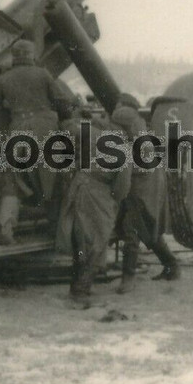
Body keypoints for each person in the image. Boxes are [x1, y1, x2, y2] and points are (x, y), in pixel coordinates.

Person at [0, 39, 76, 245]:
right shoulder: (43, 74)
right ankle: (54, 228)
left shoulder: (6, 77)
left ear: (14, 56)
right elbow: (62, 101)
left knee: (13, 180)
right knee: (53, 177)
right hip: (46, 129)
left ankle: (5, 229)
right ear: (32, 55)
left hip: (19, 130)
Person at [55, 114, 131, 308]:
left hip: (79, 187)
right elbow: (122, 186)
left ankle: (75, 287)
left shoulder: (91, 134)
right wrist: (113, 199)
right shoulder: (122, 146)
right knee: (96, 242)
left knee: (80, 240)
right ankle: (81, 292)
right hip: (98, 194)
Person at [111, 93, 179, 293]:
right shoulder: (139, 124)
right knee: (149, 226)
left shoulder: (124, 116)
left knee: (132, 229)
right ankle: (172, 266)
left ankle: (128, 279)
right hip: (152, 183)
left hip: (141, 186)